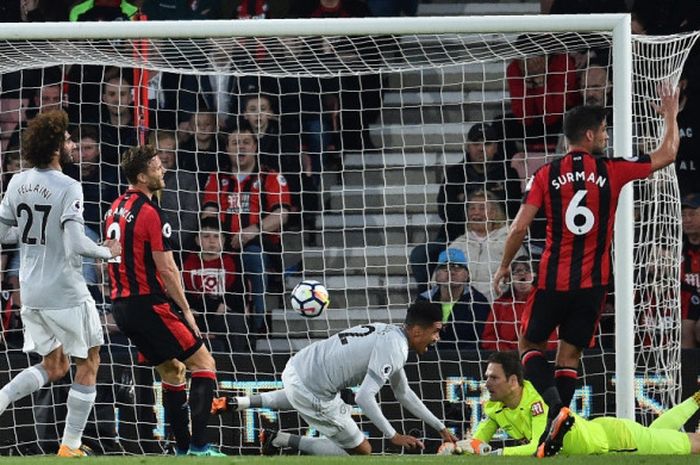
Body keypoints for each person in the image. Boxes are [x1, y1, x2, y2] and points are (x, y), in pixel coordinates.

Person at [492, 82, 681, 450]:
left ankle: (555, 411)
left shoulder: (546, 174)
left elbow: (518, 226)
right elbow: (667, 154)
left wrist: (504, 265)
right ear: (590, 134)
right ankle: (557, 431)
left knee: (529, 343)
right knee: (570, 354)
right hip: (593, 284)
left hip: (551, 279)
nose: (607, 136)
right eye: (605, 131)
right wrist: (671, 115)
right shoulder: (612, 169)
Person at [0, 110, 121, 457]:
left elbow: (2, 232)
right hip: (65, 290)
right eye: (68, 140)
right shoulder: (69, 186)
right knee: (90, 362)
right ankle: (69, 446)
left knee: (56, 366)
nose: (72, 145)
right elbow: (77, 244)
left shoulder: (18, 181)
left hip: (31, 292)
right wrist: (107, 251)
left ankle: (2, 398)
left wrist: (30, 235)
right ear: (55, 146)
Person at [212, 301, 457, 455]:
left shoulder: (390, 334)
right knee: (362, 450)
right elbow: (364, 397)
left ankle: (238, 402)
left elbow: (403, 392)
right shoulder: (396, 348)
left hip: (297, 366)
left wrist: (440, 427)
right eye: (435, 332)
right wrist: (392, 435)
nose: (437, 338)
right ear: (417, 330)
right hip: (314, 388)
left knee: (300, 395)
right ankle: (280, 440)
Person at [104, 144, 224, 456]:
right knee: (204, 364)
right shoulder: (150, 212)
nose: (164, 169)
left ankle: (183, 449)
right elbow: (168, 269)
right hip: (148, 304)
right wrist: (186, 311)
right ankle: (199, 447)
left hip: (122, 307)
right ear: (142, 176)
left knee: (172, 371)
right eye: (158, 166)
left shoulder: (114, 206)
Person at [441, 351, 700, 456]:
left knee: (687, 445)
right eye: (487, 377)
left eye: (493, 378)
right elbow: (479, 441)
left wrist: (497, 453)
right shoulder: (494, 407)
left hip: (616, 443)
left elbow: (537, 447)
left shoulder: (537, 402)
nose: (487, 383)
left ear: (512, 381)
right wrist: (460, 448)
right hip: (601, 429)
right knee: (658, 435)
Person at [416, 248, 490, 351]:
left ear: (467, 275)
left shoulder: (478, 301)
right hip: (430, 358)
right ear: (437, 275)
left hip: (467, 359)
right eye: (445, 268)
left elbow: (481, 340)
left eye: (457, 268)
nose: (451, 272)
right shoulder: (424, 301)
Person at [681, 193, 700, 348]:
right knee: (685, 329)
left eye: (692, 214)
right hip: (688, 305)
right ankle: (687, 372)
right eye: (684, 215)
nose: (687, 220)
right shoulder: (676, 248)